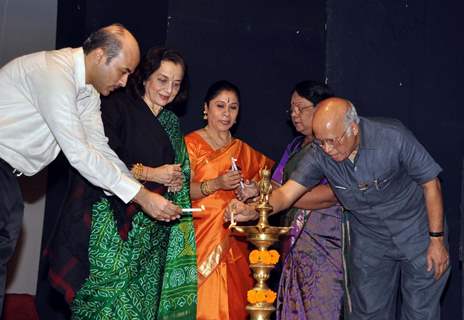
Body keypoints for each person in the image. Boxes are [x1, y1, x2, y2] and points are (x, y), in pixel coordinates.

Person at [0, 24, 180, 314]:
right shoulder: (54, 75)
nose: (124, 82)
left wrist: (140, 192)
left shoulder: (88, 92)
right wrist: (141, 196)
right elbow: (80, 154)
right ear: (99, 56)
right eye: (123, 71)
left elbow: (99, 148)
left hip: (9, 179)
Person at [227, 97, 450, 320]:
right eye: (321, 142)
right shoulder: (320, 151)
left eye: (333, 141)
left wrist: (437, 239)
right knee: (368, 314)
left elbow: (431, 184)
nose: (328, 149)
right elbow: (286, 194)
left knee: (421, 312)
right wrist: (255, 210)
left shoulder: (392, 136)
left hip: (417, 232)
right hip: (370, 240)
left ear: (353, 128)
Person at [47, 47, 197, 319]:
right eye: (162, 80)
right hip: (113, 226)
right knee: (104, 305)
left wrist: (175, 182)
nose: (169, 90)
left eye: (176, 84)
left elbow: (180, 173)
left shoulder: (172, 123)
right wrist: (153, 174)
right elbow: (100, 161)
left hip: (152, 235)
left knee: (140, 307)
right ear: (145, 77)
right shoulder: (116, 106)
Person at [185, 80, 274, 320]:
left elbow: (273, 183)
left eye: (233, 107)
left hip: (234, 238)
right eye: (220, 106)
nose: (226, 113)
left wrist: (253, 190)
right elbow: (181, 190)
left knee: (235, 304)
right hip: (200, 235)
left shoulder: (243, 150)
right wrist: (217, 184)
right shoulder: (190, 144)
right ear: (206, 108)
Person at [271, 81, 343, 320]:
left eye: (301, 108)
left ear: (321, 108)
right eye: (291, 109)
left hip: (324, 242)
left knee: (321, 307)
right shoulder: (294, 147)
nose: (294, 114)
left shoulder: (333, 144)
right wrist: (258, 193)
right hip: (294, 242)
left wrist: (284, 199)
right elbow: (275, 186)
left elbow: (333, 194)